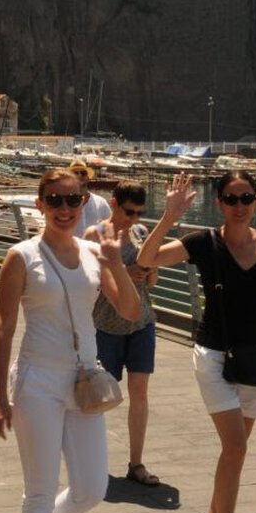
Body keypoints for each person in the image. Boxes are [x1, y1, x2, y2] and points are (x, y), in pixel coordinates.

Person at [0, 168, 141, 513]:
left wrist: (116, 262)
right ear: (39, 204)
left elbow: (131, 311)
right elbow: (3, 328)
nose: (63, 208)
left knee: (92, 487)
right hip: (37, 379)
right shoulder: (22, 256)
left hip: (84, 380)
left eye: (72, 200)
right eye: (54, 199)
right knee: (39, 488)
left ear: (84, 203)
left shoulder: (96, 254)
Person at [136, 170, 256, 513]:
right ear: (219, 202)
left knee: (233, 454)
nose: (240, 205)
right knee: (235, 449)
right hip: (216, 356)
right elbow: (147, 260)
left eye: (247, 198)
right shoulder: (203, 242)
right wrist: (169, 216)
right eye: (232, 198)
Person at [83, 181, 161, 487]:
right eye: (129, 212)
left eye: (140, 213)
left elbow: (151, 283)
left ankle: (136, 462)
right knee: (100, 395)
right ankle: (92, 460)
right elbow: (91, 281)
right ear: (114, 204)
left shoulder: (141, 234)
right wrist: (124, 272)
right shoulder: (94, 235)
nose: (134, 220)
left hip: (142, 322)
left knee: (140, 392)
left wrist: (150, 273)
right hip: (105, 325)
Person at [67, 160, 111, 237]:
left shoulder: (101, 203)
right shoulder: (62, 203)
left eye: (83, 173)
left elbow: (110, 227)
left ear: (87, 178)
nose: (79, 176)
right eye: (75, 173)